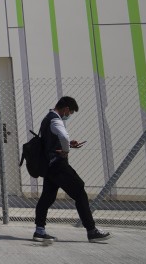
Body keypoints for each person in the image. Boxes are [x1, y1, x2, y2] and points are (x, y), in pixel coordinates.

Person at [33, 96, 110, 243]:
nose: (69, 115)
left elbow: (52, 141)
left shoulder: (47, 118)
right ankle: (92, 231)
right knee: (79, 190)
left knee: (47, 198)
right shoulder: (55, 120)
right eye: (70, 112)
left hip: (49, 166)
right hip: (58, 165)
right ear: (66, 109)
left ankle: (39, 231)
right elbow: (63, 136)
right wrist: (66, 150)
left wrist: (68, 145)